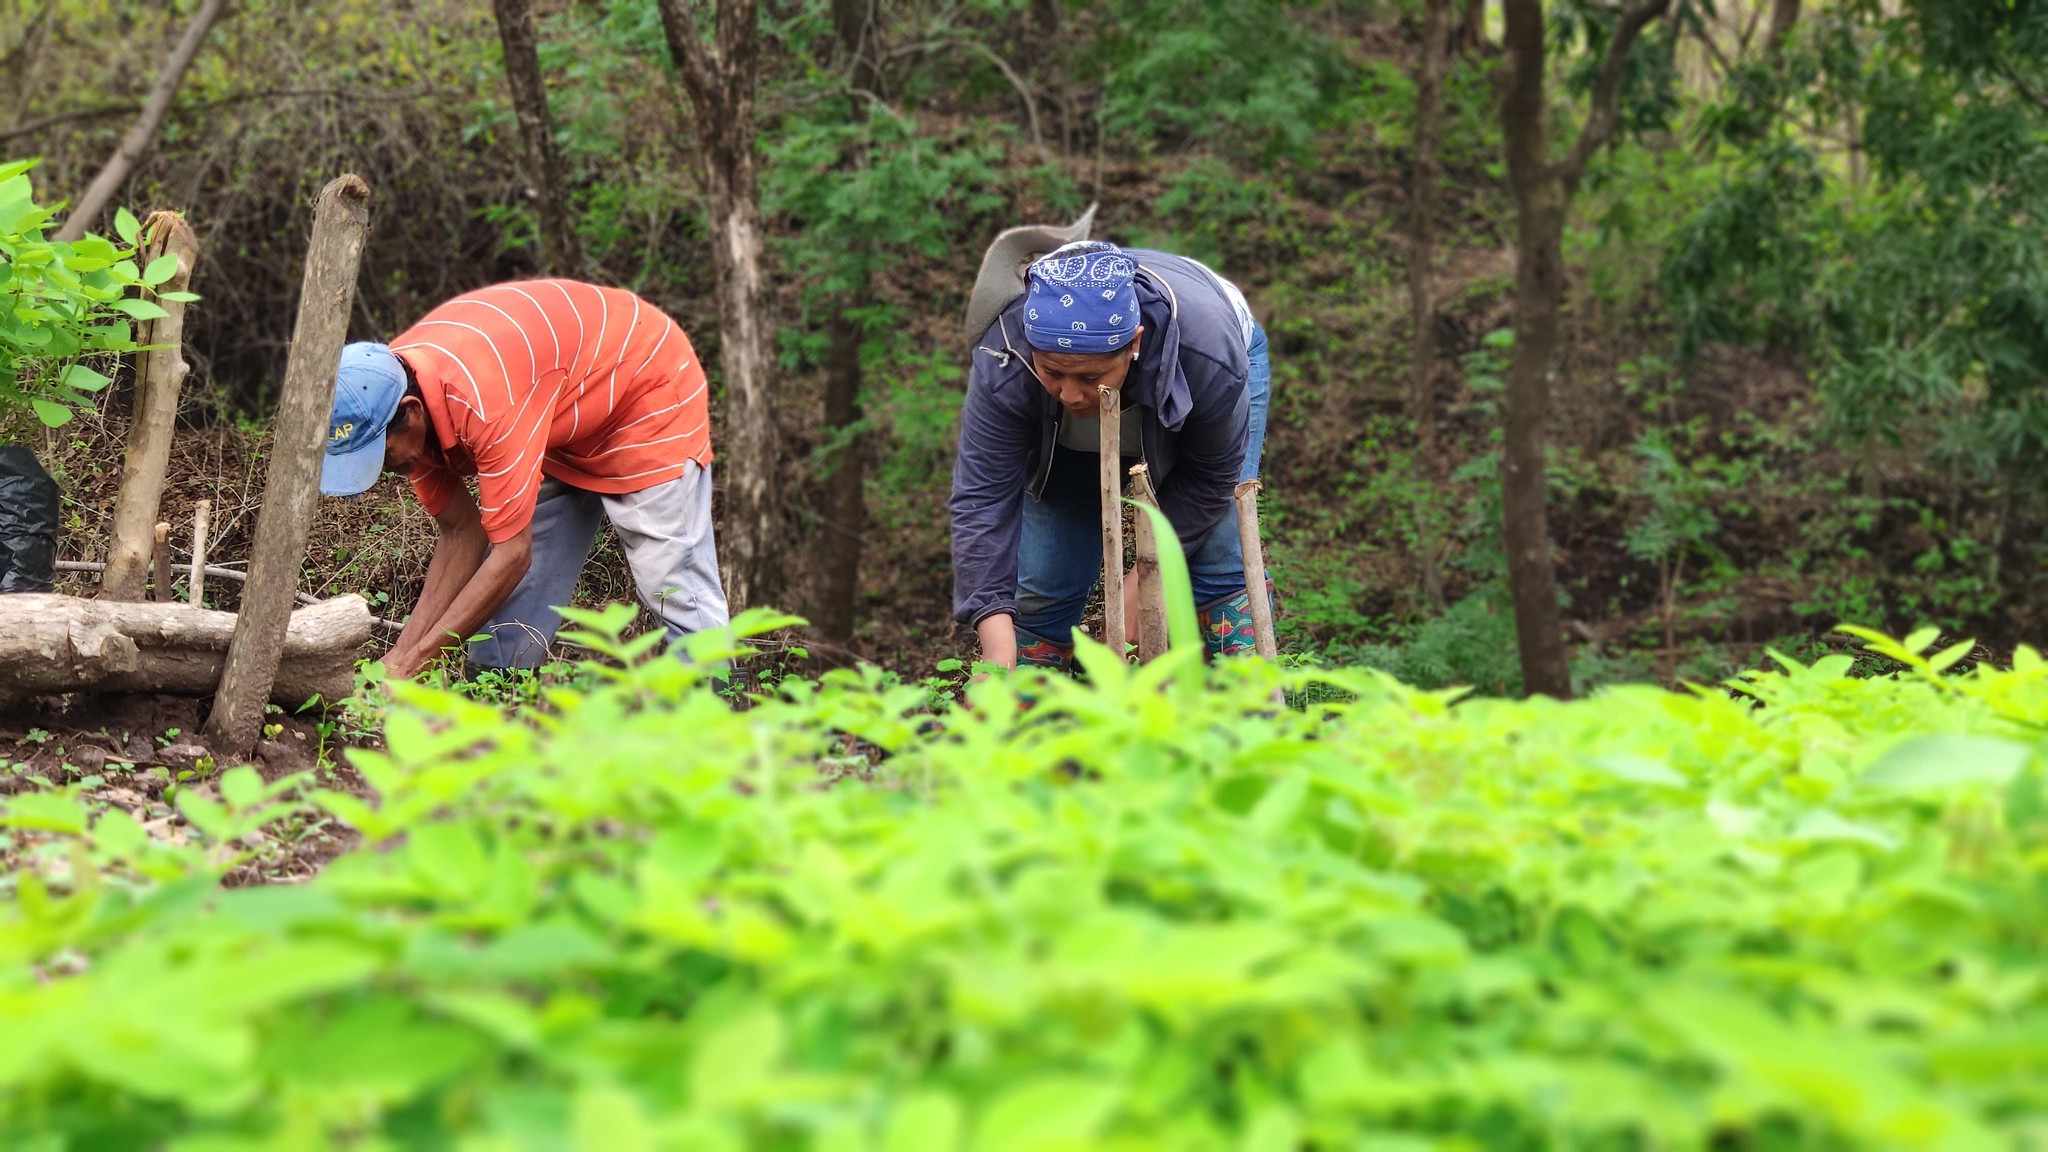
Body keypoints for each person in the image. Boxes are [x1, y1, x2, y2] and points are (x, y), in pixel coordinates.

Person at [318, 278, 729, 679]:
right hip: (559, 401)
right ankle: (496, 702)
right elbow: (462, 532)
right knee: (511, 617)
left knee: (670, 574)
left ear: (412, 412)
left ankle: (719, 707)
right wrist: (400, 657)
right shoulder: (389, 391)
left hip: (644, 379)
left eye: (384, 454)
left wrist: (417, 661)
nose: (386, 470)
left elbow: (511, 553)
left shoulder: (483, 403)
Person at [949, 239, 1274, 671]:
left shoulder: (1207, 355)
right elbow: (982, 498)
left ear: (1134, 342)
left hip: (1199, 369)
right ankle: (1031, 716)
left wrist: (1142, 580)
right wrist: (996, 654)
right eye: (1052, 372)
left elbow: (1208, 478)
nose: (1069, 393)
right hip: (1059, 417)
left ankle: (1242, 712)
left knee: (1217, 557)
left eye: (1089, 375)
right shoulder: (1008, 360)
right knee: (1044, 580)